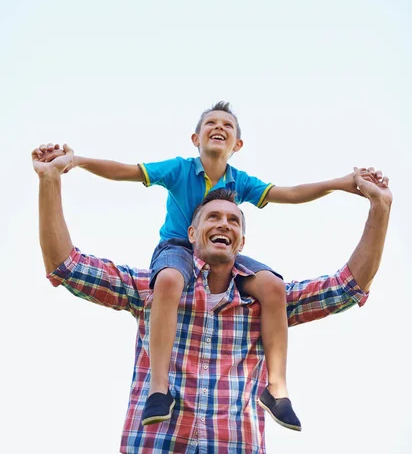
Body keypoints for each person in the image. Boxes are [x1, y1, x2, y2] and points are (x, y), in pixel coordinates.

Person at [33, 143, 392, 454]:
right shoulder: (155, 289)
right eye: (213, 217)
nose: (224, 224)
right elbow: (67, 266)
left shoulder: (267, 304)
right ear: (191, 233)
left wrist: (380, 206)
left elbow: (347, 287)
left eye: (234, 221)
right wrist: (50, 180)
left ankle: (278, 389)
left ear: (242, 242)